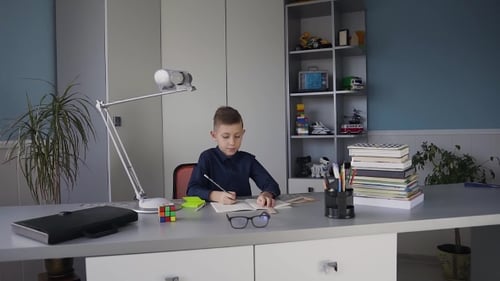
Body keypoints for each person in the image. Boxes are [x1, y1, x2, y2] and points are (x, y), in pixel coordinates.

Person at [187, 106, 280, 207]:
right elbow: (192, 190)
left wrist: (266, 194)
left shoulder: (247, 160)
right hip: (213, 216)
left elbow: (272, 185)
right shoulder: (207, 157)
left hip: (244, 216)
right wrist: (216, 196)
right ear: (214, 135)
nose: (232, 142)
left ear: (243, 134)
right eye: (226, 137)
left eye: (237, 136)